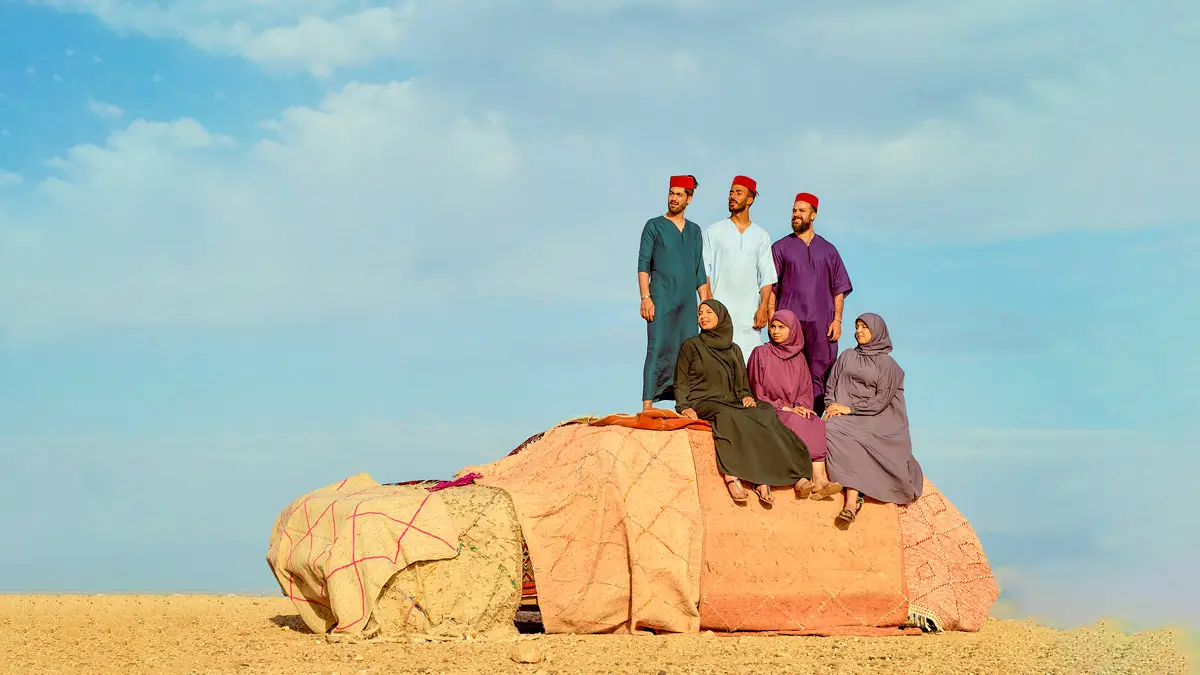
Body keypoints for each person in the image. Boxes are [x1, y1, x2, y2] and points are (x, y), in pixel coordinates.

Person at [675, 298, 814, 504]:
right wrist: (684, 406)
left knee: (763, 411)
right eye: (700, 314)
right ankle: (732, 474)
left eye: (708, 313)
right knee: (729, 416)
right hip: (703, 401)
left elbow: (742, 384)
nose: (702, 317)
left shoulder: (734, 349)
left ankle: (788, 473)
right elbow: (681, 381)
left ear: (721, 317)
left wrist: (747, 396)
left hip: (731, 401)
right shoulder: (691, 346)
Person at [822, 313, 924, 526]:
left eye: (864, 327)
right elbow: (831, 385)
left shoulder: (888, 365)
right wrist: (831, 406)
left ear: (876, 331)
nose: (859, 331)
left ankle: (851, 501)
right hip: (844, 412)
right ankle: (839, 490)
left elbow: (881, 401)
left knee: (855, 435)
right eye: (857, 326)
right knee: (830, 427)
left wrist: (849, 409)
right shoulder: (848, 355)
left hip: (876, 417)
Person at [769, 192, 852, 416]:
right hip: (790, 323)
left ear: (813, 215)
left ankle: (815, 422)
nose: (796, 215)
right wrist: (771, 318)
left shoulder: (828, 250)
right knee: (788, 371)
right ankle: (787, 419)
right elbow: (771, 288)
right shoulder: (781, 247)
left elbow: (839, 289)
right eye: (794, 211)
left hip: (822, 323)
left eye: (801, 211)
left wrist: (837, 320)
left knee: (820, 370)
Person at [746, 309, 843, 500]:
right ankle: (801, 477)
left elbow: (805, 390)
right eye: (773, 326)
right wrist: (785, 407)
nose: (775, 331)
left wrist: (803, 406)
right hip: (771, 408)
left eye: (782, 327)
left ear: (793, 330)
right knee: (796, 422)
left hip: (792, 408)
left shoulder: (799, 359)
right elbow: (757, 392)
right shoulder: (761, 353)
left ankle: (819, 479)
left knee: (814, 421)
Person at [638, 175, 712, 410]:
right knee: (657, 347)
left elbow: (699, 270)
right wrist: (645, 298)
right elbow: (643, 265)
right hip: (661, 298)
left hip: (688, 304)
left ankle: (684, 404)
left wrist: (707, 305)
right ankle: (647, 407)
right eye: (671, 193)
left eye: (679, 194)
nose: (673, 198)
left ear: (689, 199)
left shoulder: (694, 231)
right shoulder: (654, 226)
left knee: (688, 352)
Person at [702, 175, 777, 364]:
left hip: (749, 317)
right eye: (730, 192)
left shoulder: (761, 236)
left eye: (738, 193)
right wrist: (709, 306)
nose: (732, 196)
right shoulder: (714, 231)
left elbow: (767, 277)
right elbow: (704, 271)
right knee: (716, 366)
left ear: (750, 200)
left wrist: (762, 308)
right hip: (720, 315)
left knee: (748, 367)